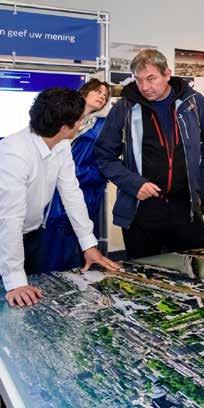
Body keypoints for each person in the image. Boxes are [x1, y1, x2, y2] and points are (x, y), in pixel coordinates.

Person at [0, 88, 119, 308]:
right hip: (5, 237)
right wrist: (15, 281)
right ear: (65, 127)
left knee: (33, 300)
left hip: (31, 234)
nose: (82, 123)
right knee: (10, 301)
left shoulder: (60, 144)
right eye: (80, 120)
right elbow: (10, 219)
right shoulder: (14, 153)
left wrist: (88, 245)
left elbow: (71, 193)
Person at [95, 49, 204, 259]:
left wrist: (200, 187)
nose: (144, 87)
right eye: (139, 80)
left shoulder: (194, 103)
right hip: (141, 209)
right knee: (144, 277)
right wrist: (134, 184)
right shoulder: (125, 107)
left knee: (195, 273)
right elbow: (104, 156)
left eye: (151, 79)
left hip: (185, 208)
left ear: (167, 74)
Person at [41, 78, 112, 272]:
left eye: (105, 96)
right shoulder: (61, 120)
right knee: (47, 249)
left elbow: (106, 163)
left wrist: (77, 173)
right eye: (98, 91)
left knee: (71, 250)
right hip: (50, 193)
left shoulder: (102, 125)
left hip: (83, 192)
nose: (102, 96)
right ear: (84, 91)